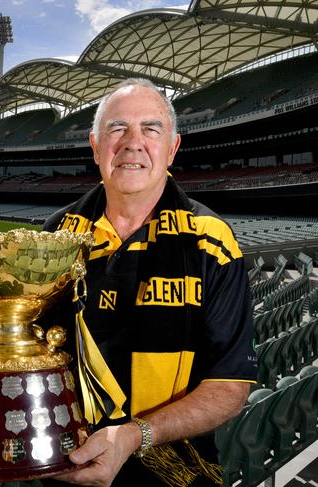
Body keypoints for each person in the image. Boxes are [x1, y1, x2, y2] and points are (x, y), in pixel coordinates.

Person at [42, 79, 257, 486]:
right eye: (117, 128)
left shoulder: (212, 241)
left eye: (151, 129)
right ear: (95, 145)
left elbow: (230, 385)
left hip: (177, 474)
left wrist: (135, 435)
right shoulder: (55, 237)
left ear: (172, 148)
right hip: (65, 470)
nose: (133, 142)